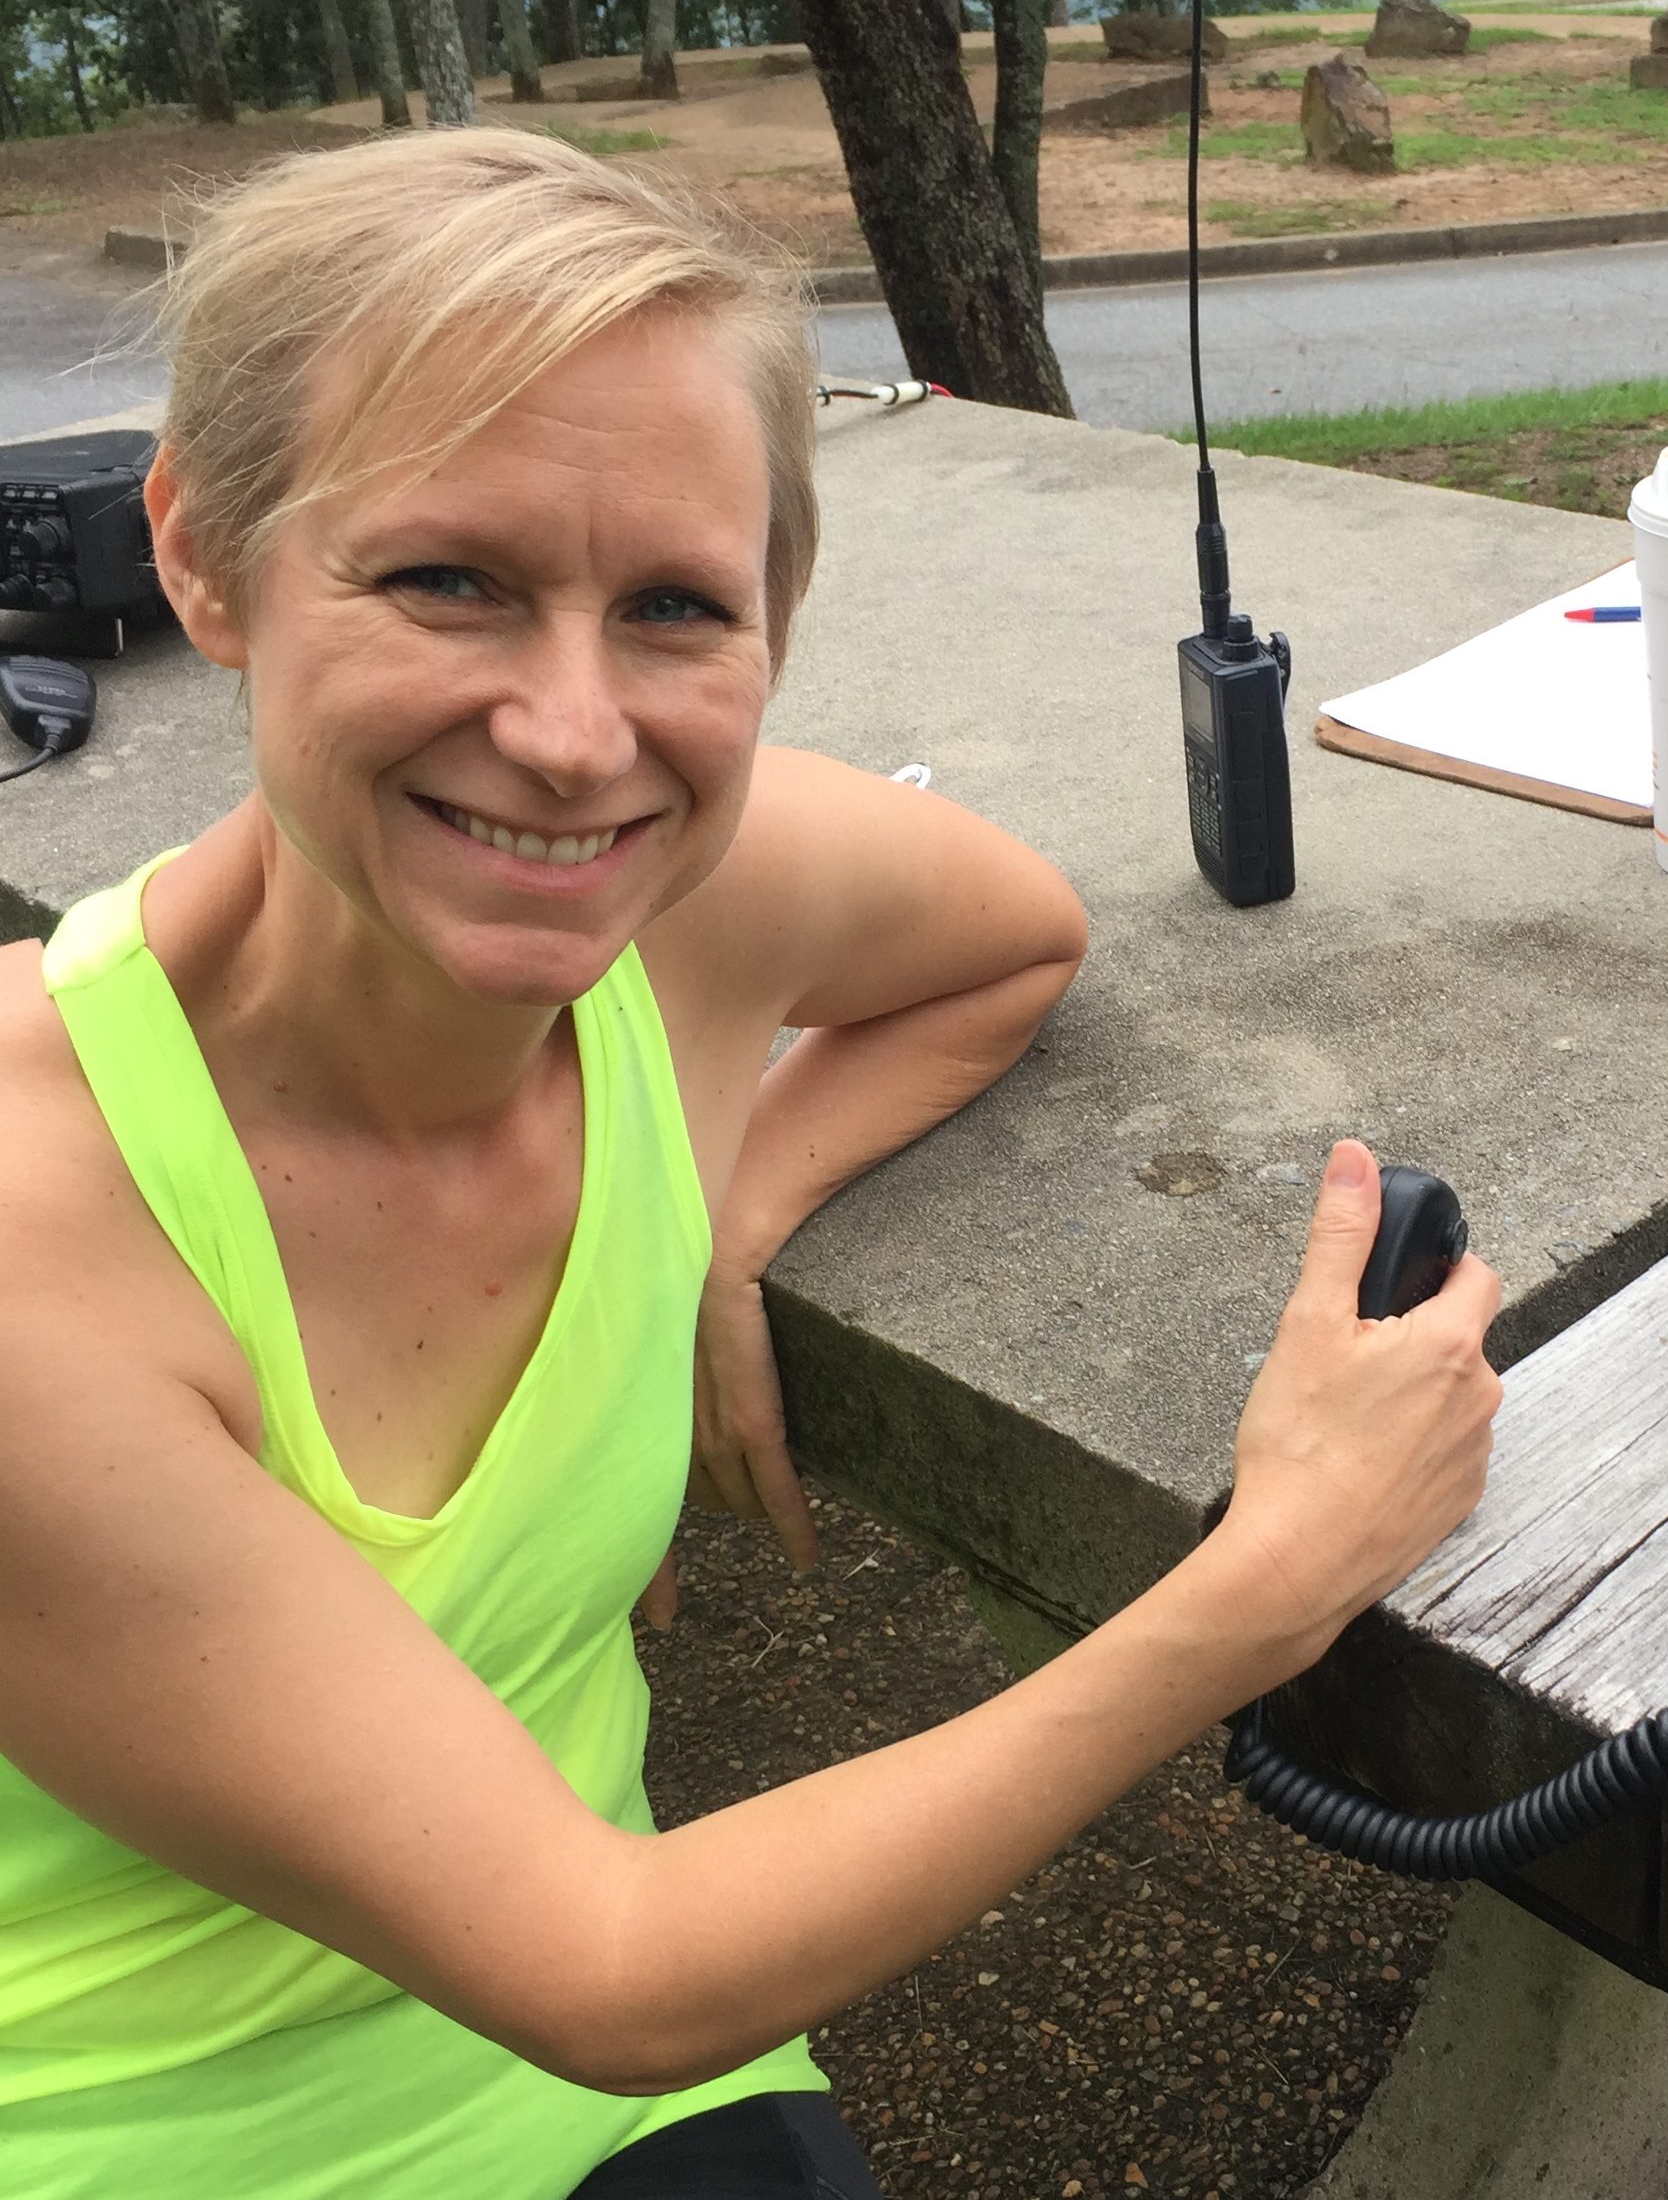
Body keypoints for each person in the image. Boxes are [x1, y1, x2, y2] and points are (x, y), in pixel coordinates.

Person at [0, 129, 1504, 2200]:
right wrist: (1276, 1573)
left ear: (776, 621)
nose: (571, 730)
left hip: (624, 2106)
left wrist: (725, 1190)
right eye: (450, 576)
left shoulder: (671, 916)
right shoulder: (36, 1243)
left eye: (676, 608)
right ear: (201, 552)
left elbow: (1019, 935)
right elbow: (605, 1960)